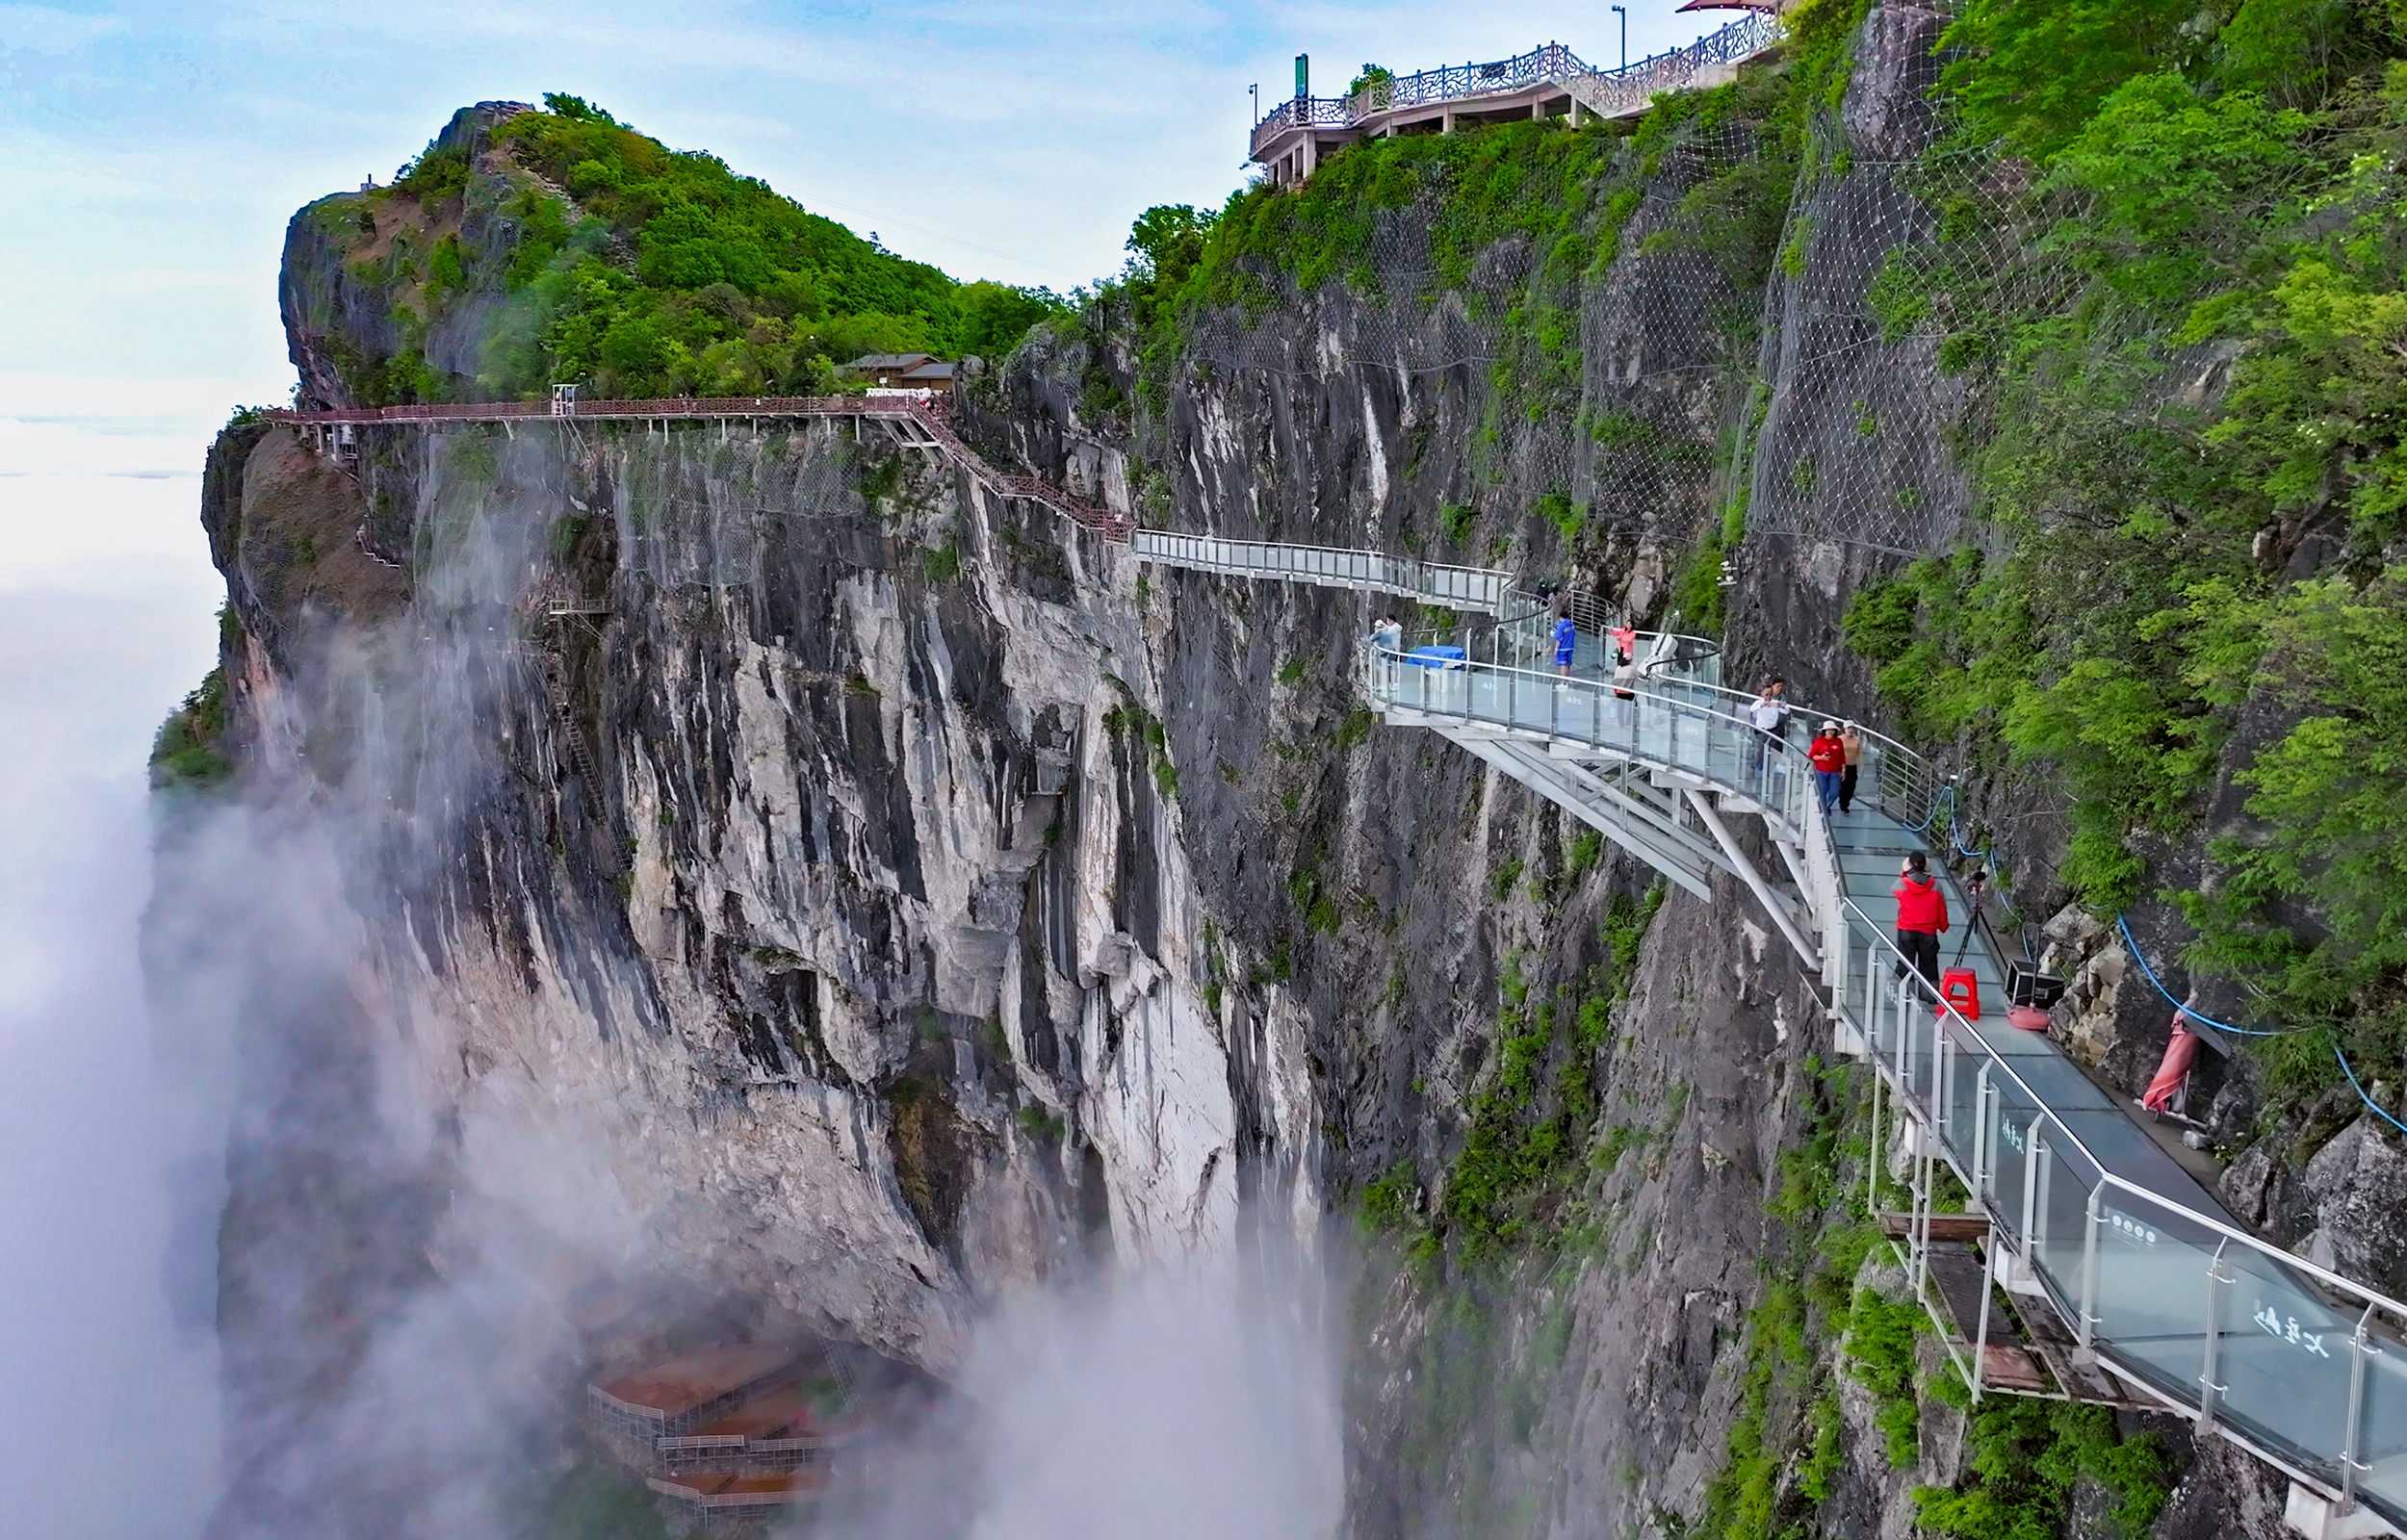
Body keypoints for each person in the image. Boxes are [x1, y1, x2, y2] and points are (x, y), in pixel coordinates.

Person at [1893, 850, 1948, 993]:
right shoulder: (1936, 885)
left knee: (1906, 962)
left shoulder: (1901, 884)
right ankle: (1929, 996)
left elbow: (1895, 890)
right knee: (1929, 964)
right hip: (1928, 932)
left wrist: (1905, 875)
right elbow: (1941, 908)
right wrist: (1943, 926)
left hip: (1906, 929)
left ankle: (1905, 994)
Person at [1746, 678, 1789, 777]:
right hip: (1762, 730)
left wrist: (1779, 705)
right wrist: (1762, 704)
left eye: (1770, 695)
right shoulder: (1759, 702)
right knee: (1761, 750)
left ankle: (1773, 767)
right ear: (1762, 694)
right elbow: (1752, 709)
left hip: (1773, 730)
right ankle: (1759, 766)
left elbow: (1786, 711)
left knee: (1775, 749)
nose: (1768, 697)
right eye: (1766, 695)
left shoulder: (1775, 703)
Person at [1808, 720, 1847, 813]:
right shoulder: (1819, 741)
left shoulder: (1838, 741)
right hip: (1821, 771)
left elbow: (1842, 755)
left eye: (1832, 730)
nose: (1830, 732)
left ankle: (1826, 806)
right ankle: (1824, 810)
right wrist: (1821, 757)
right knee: (1823, 791)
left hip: (1835, 771)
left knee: (1835, 792)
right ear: (1824, 731)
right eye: (1828, 730)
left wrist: (1843, 769)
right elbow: (1811, 755)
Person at [1839, 722, 1864, 815]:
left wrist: (1862, 765)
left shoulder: (1856, 739)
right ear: (1844, 729)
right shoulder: (1840, 739)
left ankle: (1846, 803)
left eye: (1852, 728)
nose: (1850, 730)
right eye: (1848, 728)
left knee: (1851, 786)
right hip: (1842, 765)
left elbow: (1859, 753)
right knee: (1843, 786)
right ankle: (1843, 805)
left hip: (1852, 765)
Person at [1612, 647, 1638, 730]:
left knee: (1620, 709)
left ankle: (1621, 724)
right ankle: (1629, 721)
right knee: (1634, 706)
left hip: (1619, 691)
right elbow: (1640, 675)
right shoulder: (1632, 669)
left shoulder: (1618, 668)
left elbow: (1614, 681)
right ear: (1630, 660)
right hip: (1628, 692)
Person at [1554, 612, 1577, 678]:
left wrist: (1556, 649)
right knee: (1568, 664)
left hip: (1563, 648)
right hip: (1570, 647)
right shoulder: (1571, 624)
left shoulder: (1561, 626)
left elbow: (1559, 639)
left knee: (1563, 665)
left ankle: (1563, 681)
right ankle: (1568, 679)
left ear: (1560, 617)